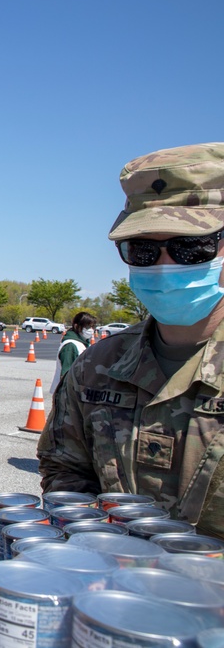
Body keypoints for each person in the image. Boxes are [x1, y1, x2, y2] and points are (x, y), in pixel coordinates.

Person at [38, 143, 224, 539]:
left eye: (190, 247)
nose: (163, 265)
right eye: (141, 250)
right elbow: (66, 471)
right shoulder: (95, 368)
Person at [48, 311, 96, 394]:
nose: (91, 330)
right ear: (76, 326)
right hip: (67, 395)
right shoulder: (71, 346)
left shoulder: (81, 344)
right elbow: (66, 374)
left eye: (92, 327)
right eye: (87, 327)